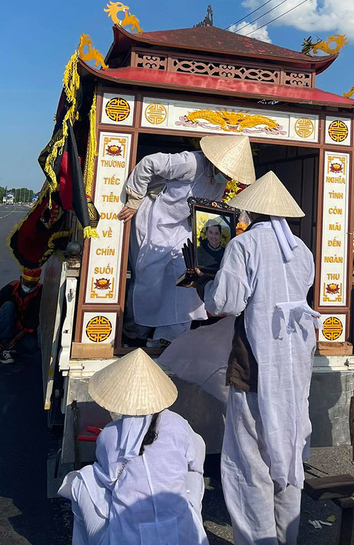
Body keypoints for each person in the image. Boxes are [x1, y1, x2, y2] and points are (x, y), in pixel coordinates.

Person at [192, 170, 319, 545]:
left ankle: (259, 539)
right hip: (293, 366)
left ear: (249, 213)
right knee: (287, 451)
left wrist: (203, 281)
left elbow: (225, 303)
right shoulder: (302, 250)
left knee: (250, 461)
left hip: (254, 365)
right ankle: (286, 536)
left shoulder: (243, 246)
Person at [59, 347, 208, 545]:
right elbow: (196, 459)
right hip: (183, 534)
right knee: (193, 475)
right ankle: (192, 519)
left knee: (82, 479)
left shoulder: (110, 434)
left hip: (129, 537)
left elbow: (108, 478)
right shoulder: (178, 423)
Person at [118, 135, 255, 346]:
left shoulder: (221, 180)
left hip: (183, 227)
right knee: (149, 278)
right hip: (154, 221)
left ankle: (168, 336)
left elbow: (206, 209)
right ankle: (134, 330)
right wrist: (135, 197)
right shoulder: (191, 162)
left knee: (186, 275)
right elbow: (149, 163)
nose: (229, 176)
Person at [0, 268, 43, 364]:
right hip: (6, 322)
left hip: (24, 329)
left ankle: (13, 347)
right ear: (21, 279)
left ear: (37, 281)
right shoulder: (10, 288)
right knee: (7, 306)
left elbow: (34, 319)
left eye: (32, 284)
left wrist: (17, 338)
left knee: (32, 347)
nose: (29, 287)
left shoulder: (40, 292)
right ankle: (5, 348)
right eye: (26, 283)